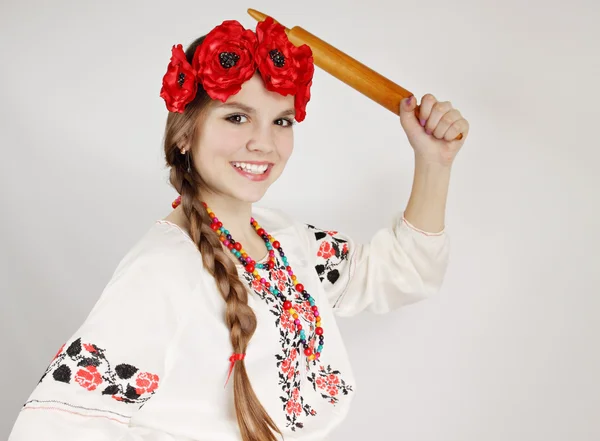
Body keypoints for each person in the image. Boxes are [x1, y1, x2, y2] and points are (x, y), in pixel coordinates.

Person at [8, 16, 469, 441]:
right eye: (237, 116)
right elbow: (52, 426)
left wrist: (433, 163)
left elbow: (400, 273)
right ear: (186, 133)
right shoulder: (163, 271)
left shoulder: (282, 239)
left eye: (281, 121)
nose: (263, 142)